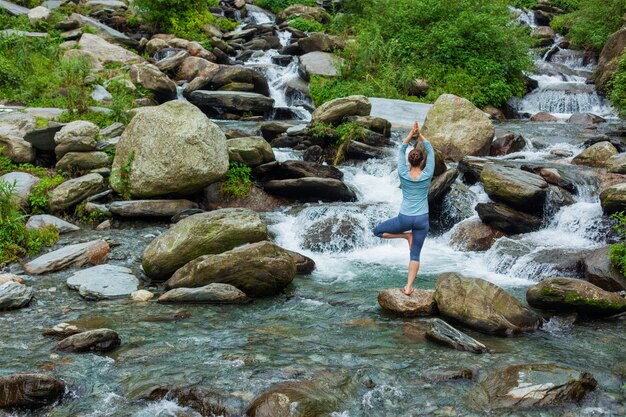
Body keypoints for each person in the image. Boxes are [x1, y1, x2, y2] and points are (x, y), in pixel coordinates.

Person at [372, 120, 435, 296]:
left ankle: (405, 236)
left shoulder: (402, 173)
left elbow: (401, 150)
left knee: (377, 231)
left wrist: (411, 134)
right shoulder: (428, 173)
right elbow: (431, 151)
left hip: (404, 218)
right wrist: (420, 134)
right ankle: (408, 287)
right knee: (415, 255)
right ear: (422, 161)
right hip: (422, 219)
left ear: (409, 160)